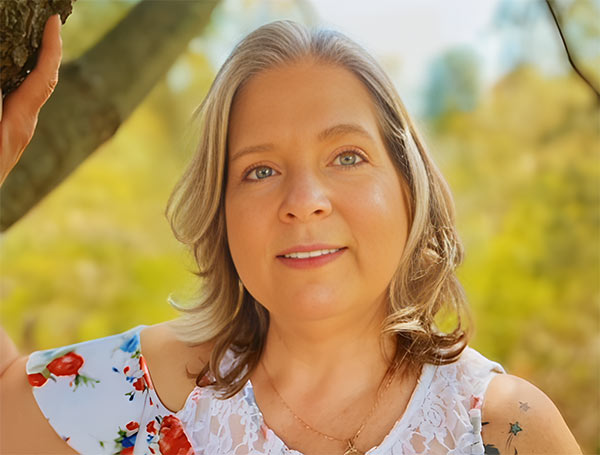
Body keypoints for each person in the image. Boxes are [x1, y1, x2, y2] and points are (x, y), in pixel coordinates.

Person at [0, 15, 582, 455]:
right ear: (222, 213)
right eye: (260, 170)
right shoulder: (145, 391)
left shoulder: (505, 428)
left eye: (347, 157)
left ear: (409, 186)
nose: (303, 202)